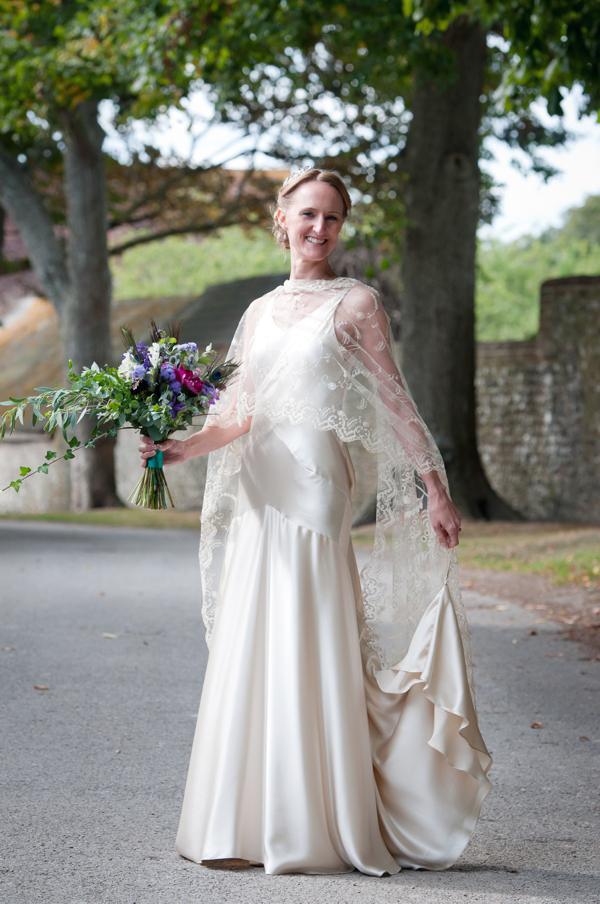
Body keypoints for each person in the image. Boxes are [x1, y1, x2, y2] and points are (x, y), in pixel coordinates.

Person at [139, 168, 492, 877]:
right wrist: (178, 449)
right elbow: (237, 417)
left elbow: (398, 405)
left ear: (340, 227)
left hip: (316, 492)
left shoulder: (357, 304)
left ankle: (316, 824)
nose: (319, 229)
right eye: (308, 214)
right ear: (282, 218)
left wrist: (435, 490)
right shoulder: (258, 312)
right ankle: (243, 821)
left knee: (311, 637)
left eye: (331, 218)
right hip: (262, 495)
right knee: (257, 639)